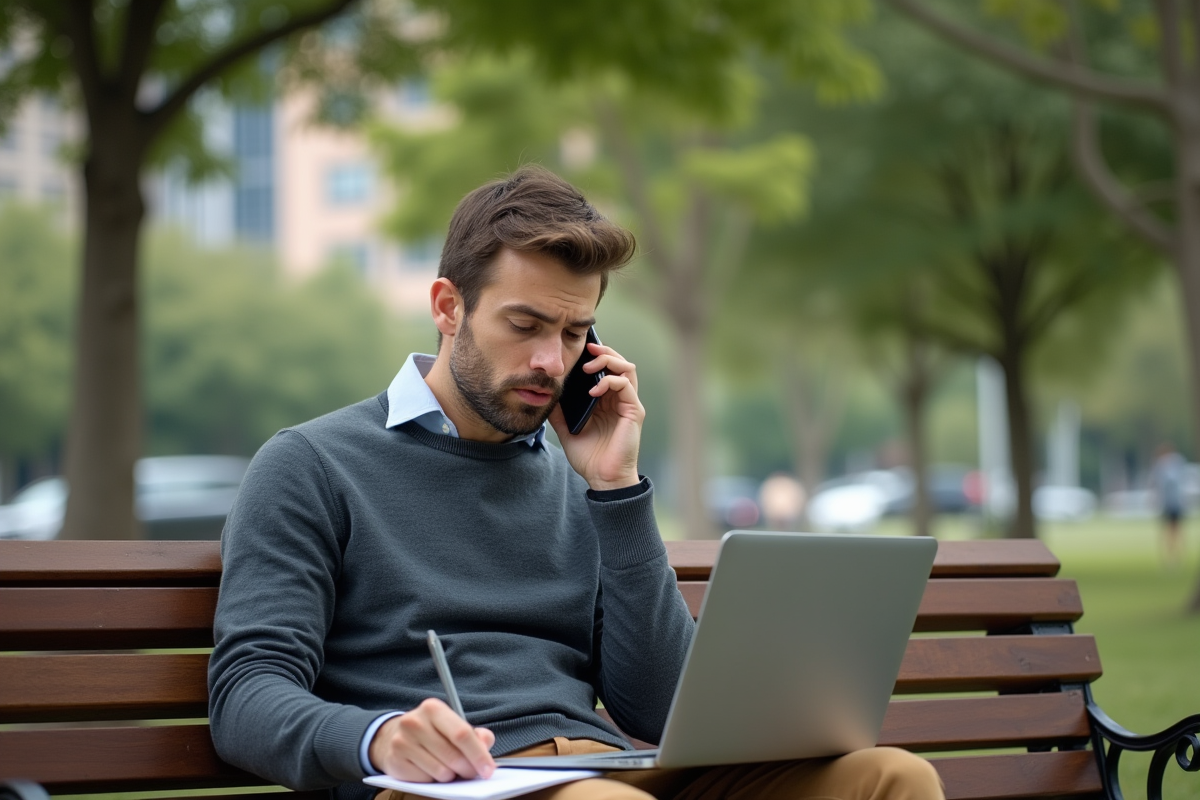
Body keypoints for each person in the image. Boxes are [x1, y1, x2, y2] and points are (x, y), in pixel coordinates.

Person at [208, 165, 944, 800]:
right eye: (524, 325)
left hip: (607, 770)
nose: (550, 363)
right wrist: (377, 738)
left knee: (891, 780)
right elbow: (246, 695)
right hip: (456, 786)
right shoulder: (311, 464)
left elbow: (659, 709)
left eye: (572, 333)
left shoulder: (576, 482)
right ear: (447, 306)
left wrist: (615, 490)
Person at [1150, 443, 1186, 565]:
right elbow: (1156, 485)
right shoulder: (1160, 466)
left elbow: (1172, 480)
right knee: (1167, 532)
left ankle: (1177, 556)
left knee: (1176, 531)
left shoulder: (1175, 463)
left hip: (1175, 503)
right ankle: (1169, 557)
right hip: (1166, 504)